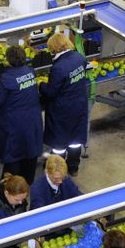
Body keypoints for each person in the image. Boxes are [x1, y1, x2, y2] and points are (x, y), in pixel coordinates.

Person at [0, 44, 43, 184]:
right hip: (32, 120)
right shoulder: (30, 71)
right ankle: (27, 182)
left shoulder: (7, 78)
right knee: (30, 153)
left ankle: (10, 187)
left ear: (8, 60)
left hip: (15, 125)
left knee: (13, 158)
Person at [40, 33, 90, 176]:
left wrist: (41, 85)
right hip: (79, 106)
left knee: (59, 144)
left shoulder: (59, 68)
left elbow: (51, 92)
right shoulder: (79, 58)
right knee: (75, 140)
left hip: (62, 112)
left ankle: (57, 170)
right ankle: (73, 167)